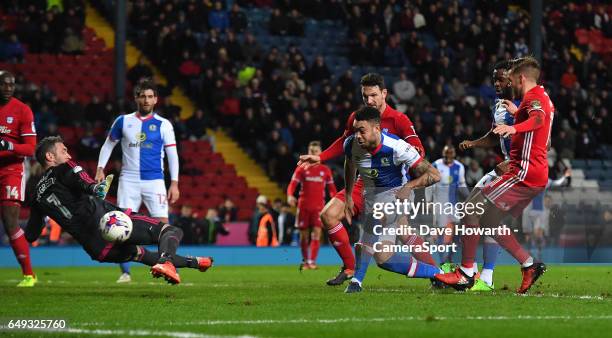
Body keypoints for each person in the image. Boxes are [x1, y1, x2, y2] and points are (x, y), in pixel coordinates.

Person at [298, 73, 435, 286]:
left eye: (373, 95)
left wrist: (409, 157)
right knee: (328, 215)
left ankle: (437, 274)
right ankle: (351, 268)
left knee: (403, 232)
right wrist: (320, 157)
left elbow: (418, 150)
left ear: (384, 94)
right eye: (365, 96)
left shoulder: (399, 119)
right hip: (363, 182)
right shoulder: (357, 118)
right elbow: (345, 145)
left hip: (391, 187)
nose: (369, 100)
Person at [436, 56, 554, 294]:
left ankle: (467, 273)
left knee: (471, 211)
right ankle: (529, 264)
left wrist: (514, 126)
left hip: (522, 171)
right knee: (488, 220)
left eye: (507, 79)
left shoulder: (533, 98)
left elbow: (539, 121)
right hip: (528, 171)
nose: (502, 84)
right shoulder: (534, 98)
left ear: (519, 78)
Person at [25, 137, 211, 285]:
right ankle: (166, 263)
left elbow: (32, 235)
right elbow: (83, 179)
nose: (68, 155)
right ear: (50, 157)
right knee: (171, 231)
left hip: (97, 249)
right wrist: (94, 187)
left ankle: (195, 263)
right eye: (63, 151)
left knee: (142, 254)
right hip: (108, 219)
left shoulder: (36, 196)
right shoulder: (65, 167)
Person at [343, 107, 442, 293]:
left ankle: (356, 281)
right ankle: (438, 274)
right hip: (372, 198)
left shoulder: (398, 147)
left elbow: (435, 175)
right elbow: (350, 165)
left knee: (375, 219)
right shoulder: (351, 144)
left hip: (397, 195)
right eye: (355, 130)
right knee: (383, 258)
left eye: (361, 130)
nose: (357, 135)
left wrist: (409, 186)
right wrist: (348, 195)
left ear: (377, 129)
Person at [95, 79, 180, 283]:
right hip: (129, 180)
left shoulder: (164, 125)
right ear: (136, 98)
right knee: (121, 227)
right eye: (142, 96)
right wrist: (100, 168)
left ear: (156, 99)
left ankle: (167, 266)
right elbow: (108, 145)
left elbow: (173, 155)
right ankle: (125, 273)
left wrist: (174, 183)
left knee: (164, 226)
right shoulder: (123, 121)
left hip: (155, 181)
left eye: (150, 96)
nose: (146, 100)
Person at [457, 60, 521, 291]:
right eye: (494, 78)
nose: (496, 83)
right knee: (471, 212)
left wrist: (516, 161)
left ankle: (480, 273)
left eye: (501, 78)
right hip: (503, 166)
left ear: (513, 79)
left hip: (517, 169)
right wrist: (474, 143)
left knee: (483, 216)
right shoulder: (499, 104)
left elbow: (543, 139)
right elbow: (495, 136)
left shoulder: (526, 104)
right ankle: (475, 272)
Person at [0, 70, 37, 287]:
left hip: (11, 171)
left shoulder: (22, 110)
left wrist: (8, 145)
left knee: (10, 221)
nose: (7, 88)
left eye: (11, 85)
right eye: (3, 84)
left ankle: (29, 275)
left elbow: (31, 148)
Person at [287, 141, 336, 269]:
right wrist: (290, 195)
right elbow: (292, 185)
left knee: (316, 234)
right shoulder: (302, 168)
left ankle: (312, 262)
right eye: (311, 151)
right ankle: (305, 261)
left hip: (319, 207)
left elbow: (332, 189)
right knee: (303, 235)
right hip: (303, 206)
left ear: (320, 153)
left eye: (315, 151)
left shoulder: (325, 170)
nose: (312, 153)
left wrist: (335, 202)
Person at [428, 145, 468, 264]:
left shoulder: (459, 167)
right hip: (439, 205)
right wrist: (428, 201)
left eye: (451, 154)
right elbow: (429, 184)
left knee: (456, 231)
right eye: (446, 153)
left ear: (454, 154)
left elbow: (462, 185)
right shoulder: (436, 165)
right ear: (443, 153)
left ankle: (450, 256)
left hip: (453, 205)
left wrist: (470, 198)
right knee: (441, 231)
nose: (448, 156)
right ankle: (442, 260)